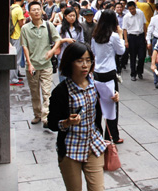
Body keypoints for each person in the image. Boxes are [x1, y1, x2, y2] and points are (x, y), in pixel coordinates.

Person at [48, 42, 116, 191]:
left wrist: (113, 98)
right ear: (69, 62)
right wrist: (66, 122)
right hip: (71, 149)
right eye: (80, 61)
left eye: (88, 60)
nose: (85, 65)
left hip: (94, 145)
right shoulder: (61, 91)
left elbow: (106, 102)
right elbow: (52, 123)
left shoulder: (96, 84)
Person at [21, 1, 61, 127]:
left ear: (42, 11)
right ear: (29, 13)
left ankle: (45, 117)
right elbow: (24, 47)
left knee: (46, 92)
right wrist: (29, 63)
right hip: (32, 65)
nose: (37, 12)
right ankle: (37, 114)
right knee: (34, 93)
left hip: (46, 65)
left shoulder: (49, 26)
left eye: (38, 9)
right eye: (33, 10)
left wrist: (52, 51)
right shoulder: (25, 29)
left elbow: (58, 40)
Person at [92, 9, 126, 144]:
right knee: (112, 104)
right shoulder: (113, 36)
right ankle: (112, 135)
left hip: (97, 73)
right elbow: (121, 51)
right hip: (110, 73)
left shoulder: (95, 35)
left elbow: (93, 52)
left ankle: (98, 134)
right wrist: (121, 36)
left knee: (98, 105)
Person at [57, 7, 85, 81]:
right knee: (63, 79)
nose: (72, 18)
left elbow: (82, 41)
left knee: (74, 78)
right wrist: (65, 40)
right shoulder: (60, 27)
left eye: (74, 16)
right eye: (70, 16)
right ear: (65, 16)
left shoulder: (79, 28)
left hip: (75, 56)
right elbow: (56, 41)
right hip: (63, 56)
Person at [122, 1, 147, 81]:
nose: (132, 10)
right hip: (131, 37)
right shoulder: (126, 17)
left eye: (133, 8)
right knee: (132, 56)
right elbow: (124, 29)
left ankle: (140, 71)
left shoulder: (140, 13)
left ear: (135, 7)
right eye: (130, 9)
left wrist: (145, 36)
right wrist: (126, 41)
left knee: (142, 56)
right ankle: (133, 74)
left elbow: (144, 25)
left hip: (141, 36)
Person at [10, 0, 26, 86]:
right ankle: (13, 79)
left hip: (11, 35)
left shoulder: (11, 8)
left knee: (14, 57)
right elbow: (21, 25)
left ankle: (15, 75)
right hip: (17, 35)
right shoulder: (19, 10)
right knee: (17, 58)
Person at [114, 2, 128, 73]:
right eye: (117, 7)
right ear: (115, 8)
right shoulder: (113, 16)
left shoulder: (126, 16)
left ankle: (122, 63)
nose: (119, 8)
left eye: (120, 7)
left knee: (124, 50)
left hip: (124, 34)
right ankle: (118, 66)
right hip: (116, 35)